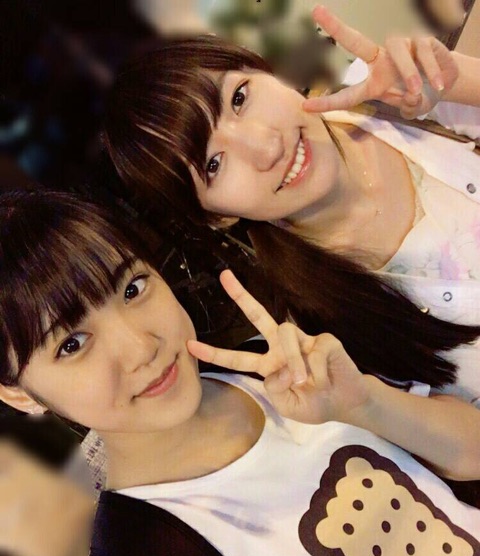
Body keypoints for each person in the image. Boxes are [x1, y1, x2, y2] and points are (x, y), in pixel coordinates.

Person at [0, 189, 478, 556]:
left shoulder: (278, 367)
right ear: (20, 395)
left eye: (132, 289)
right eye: (72, 344)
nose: (142, 348)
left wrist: (367, 404)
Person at [103, 5, 480, 479]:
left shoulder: (389, 96)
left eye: (239, 98)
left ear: (265, 68)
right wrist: (364, 405)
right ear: (217, 217)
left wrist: (457, 82)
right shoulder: (319, 326)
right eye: (214, 165)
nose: (266, 147)